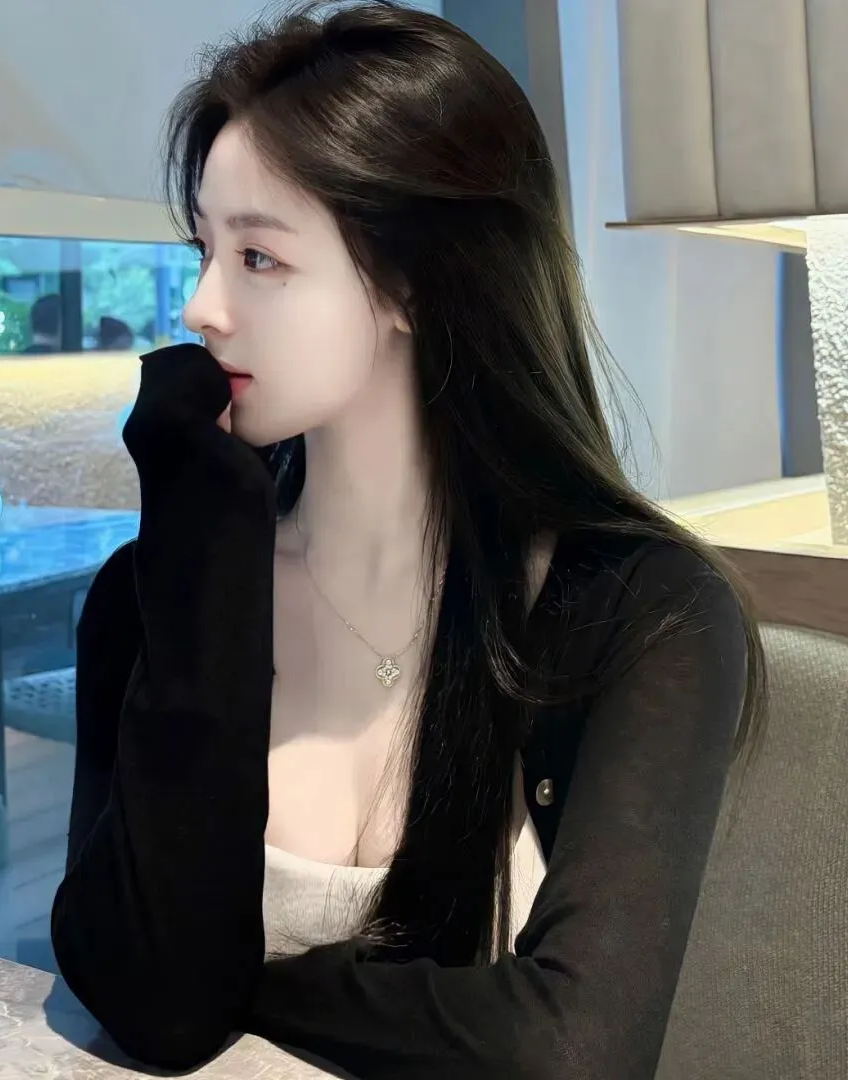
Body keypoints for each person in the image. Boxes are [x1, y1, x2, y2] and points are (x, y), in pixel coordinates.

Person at [50, 3, 764, 1077]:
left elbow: (571, 1049)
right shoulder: (148, 598)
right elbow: (148, 1007)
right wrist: (203, 568)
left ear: (413, 282)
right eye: (204, 248)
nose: (201, 307)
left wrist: (239, 982)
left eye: (259, 257)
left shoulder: (640, 613)